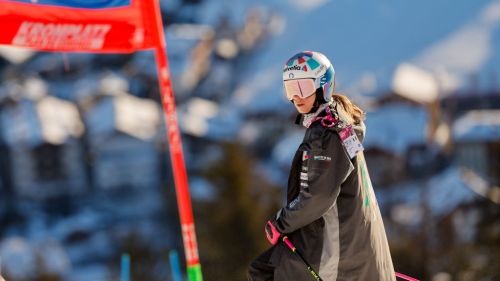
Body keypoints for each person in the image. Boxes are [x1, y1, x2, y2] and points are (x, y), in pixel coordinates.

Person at [247, 51, 396, 281]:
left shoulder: (327, 133)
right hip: (348, 245)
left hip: (339, 254)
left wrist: (280, 223)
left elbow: (319, 195)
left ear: (322, 85)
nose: (296, 97)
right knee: (264, 268)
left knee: (264, 272)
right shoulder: (335, 124)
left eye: (303, 87)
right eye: (290, 89)